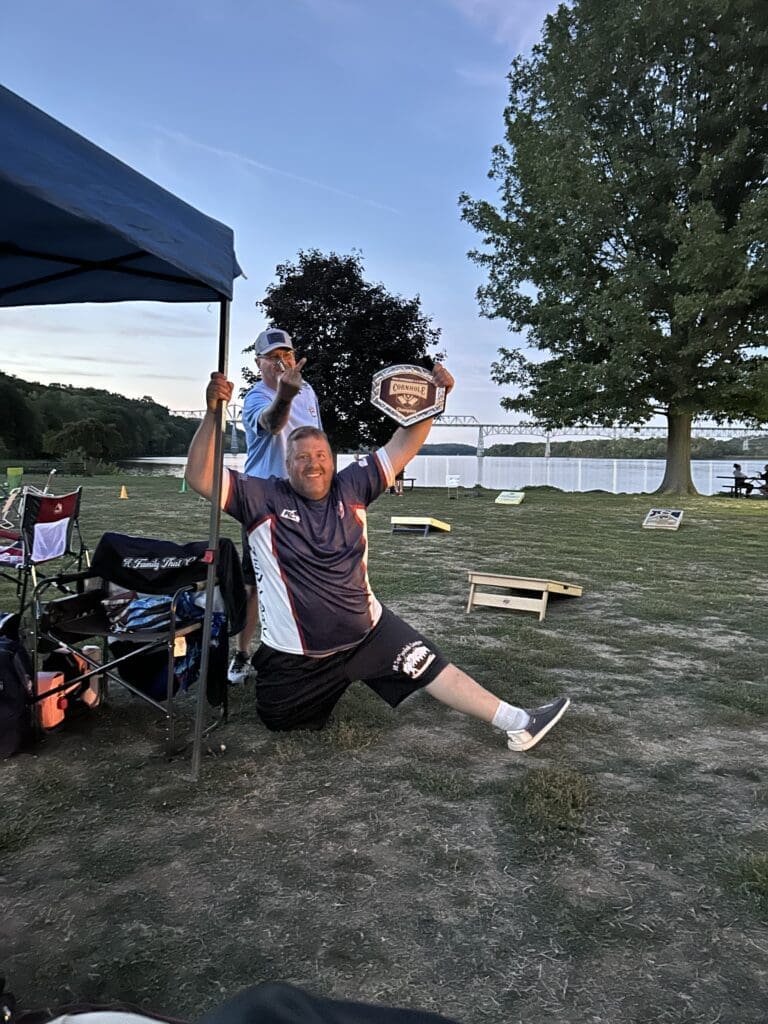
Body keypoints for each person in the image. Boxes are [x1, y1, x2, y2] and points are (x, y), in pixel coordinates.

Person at [186, 365, 570, 753]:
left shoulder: (353, 485)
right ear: (287, 467)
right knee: (279, 722)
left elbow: (405, 442)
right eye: (301, 457)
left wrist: (433, 401)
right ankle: (315, 686)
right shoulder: (262, 498)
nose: (313, 463)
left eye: (321, 454)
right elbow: (201, 477)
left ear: (332, 460)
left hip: (367, 632)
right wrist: (213, 413)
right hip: (298, 657)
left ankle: (519, 722)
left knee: (430, 664)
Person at [228, 327, 323, 685]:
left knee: (310, 576)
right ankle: (241, 654)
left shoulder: (309, 391)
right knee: (257, 583)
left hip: (306, 497)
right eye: (272, 357)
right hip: (263, 499)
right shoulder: (256, 397)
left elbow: (317, 438)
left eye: (286, 354)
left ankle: (309, 651)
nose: (280, 362)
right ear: (259, 363)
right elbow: (271, 424)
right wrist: (284, 395)